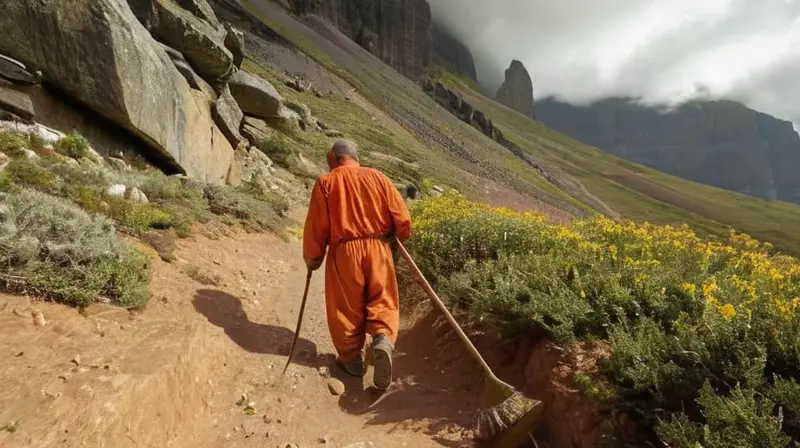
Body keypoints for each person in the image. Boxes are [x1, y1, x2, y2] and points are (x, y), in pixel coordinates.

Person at [302, 139, 412, 391]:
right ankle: (383, 338)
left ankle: (352, 360)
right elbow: (403, 219)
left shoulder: (326, 182)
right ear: (355, 157)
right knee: (382, 299)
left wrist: (313, 257)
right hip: (378, 248)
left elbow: (317, 227)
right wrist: (396, 237)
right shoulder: (378, 177)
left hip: (345, 251)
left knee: (346, 308)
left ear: (335, 158)